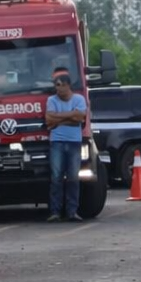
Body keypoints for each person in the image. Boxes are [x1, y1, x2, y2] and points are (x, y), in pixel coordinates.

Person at [44, 74, 87, 221]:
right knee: (56, 177)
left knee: (73, 178)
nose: (58, 88)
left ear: (68, 85)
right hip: (57, 142)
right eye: (56, 85)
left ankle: (72, 211)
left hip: (74, 142)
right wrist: (71, 115)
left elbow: (80, 118)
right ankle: (55, 212)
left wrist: (58, 120)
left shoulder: (79, 99)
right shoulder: (51, 100)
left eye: (60, 84)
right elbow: (49, 119)